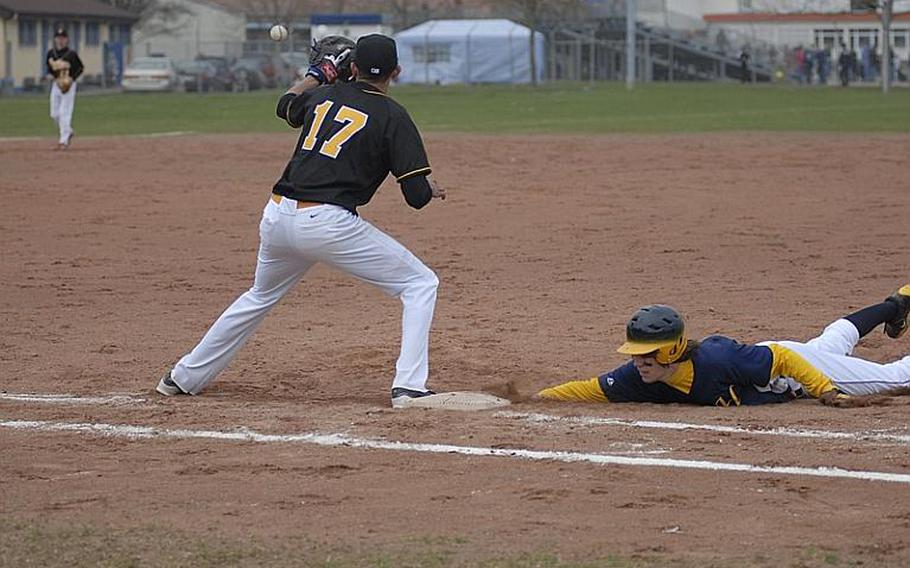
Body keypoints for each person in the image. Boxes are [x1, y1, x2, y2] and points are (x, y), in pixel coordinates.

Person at [156, 34, 446, 408]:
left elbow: (286, 105)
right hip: (327, 224)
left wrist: (318, 74)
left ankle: (182, 377)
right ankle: (408, 387)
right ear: (397, 72)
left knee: (259, 296)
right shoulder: (394, 115)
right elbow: (417, 198)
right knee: (420, 283)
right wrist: (428, 185)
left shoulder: (323, 95)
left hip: (277, 215)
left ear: (351, 68)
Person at [538, 285, 910, 407]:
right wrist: (535, 398)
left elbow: (782, 358)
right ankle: (897, 305)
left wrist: (826, 391)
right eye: (634, 353)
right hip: (773, 356)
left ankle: (895, 308)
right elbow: (590, 388)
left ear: (671, 351)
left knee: (892, 377)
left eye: (646, 353)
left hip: (791, 369)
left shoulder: (717, 358)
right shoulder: (640, 377)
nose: (638, 361)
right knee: (832, 341)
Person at [45, 28, 83, 150]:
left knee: (64, 112)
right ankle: (68, 131)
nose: (60, 40)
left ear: (67, 40)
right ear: (55, 39)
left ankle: (64, 141)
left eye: (63, 38)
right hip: (56, 84)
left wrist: (72, 78)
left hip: (69, 85)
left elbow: (80, 68)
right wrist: (50, 75)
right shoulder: (51, 53)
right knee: (54, 114)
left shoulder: (71, 54)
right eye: (58, 38)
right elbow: (50, 69)